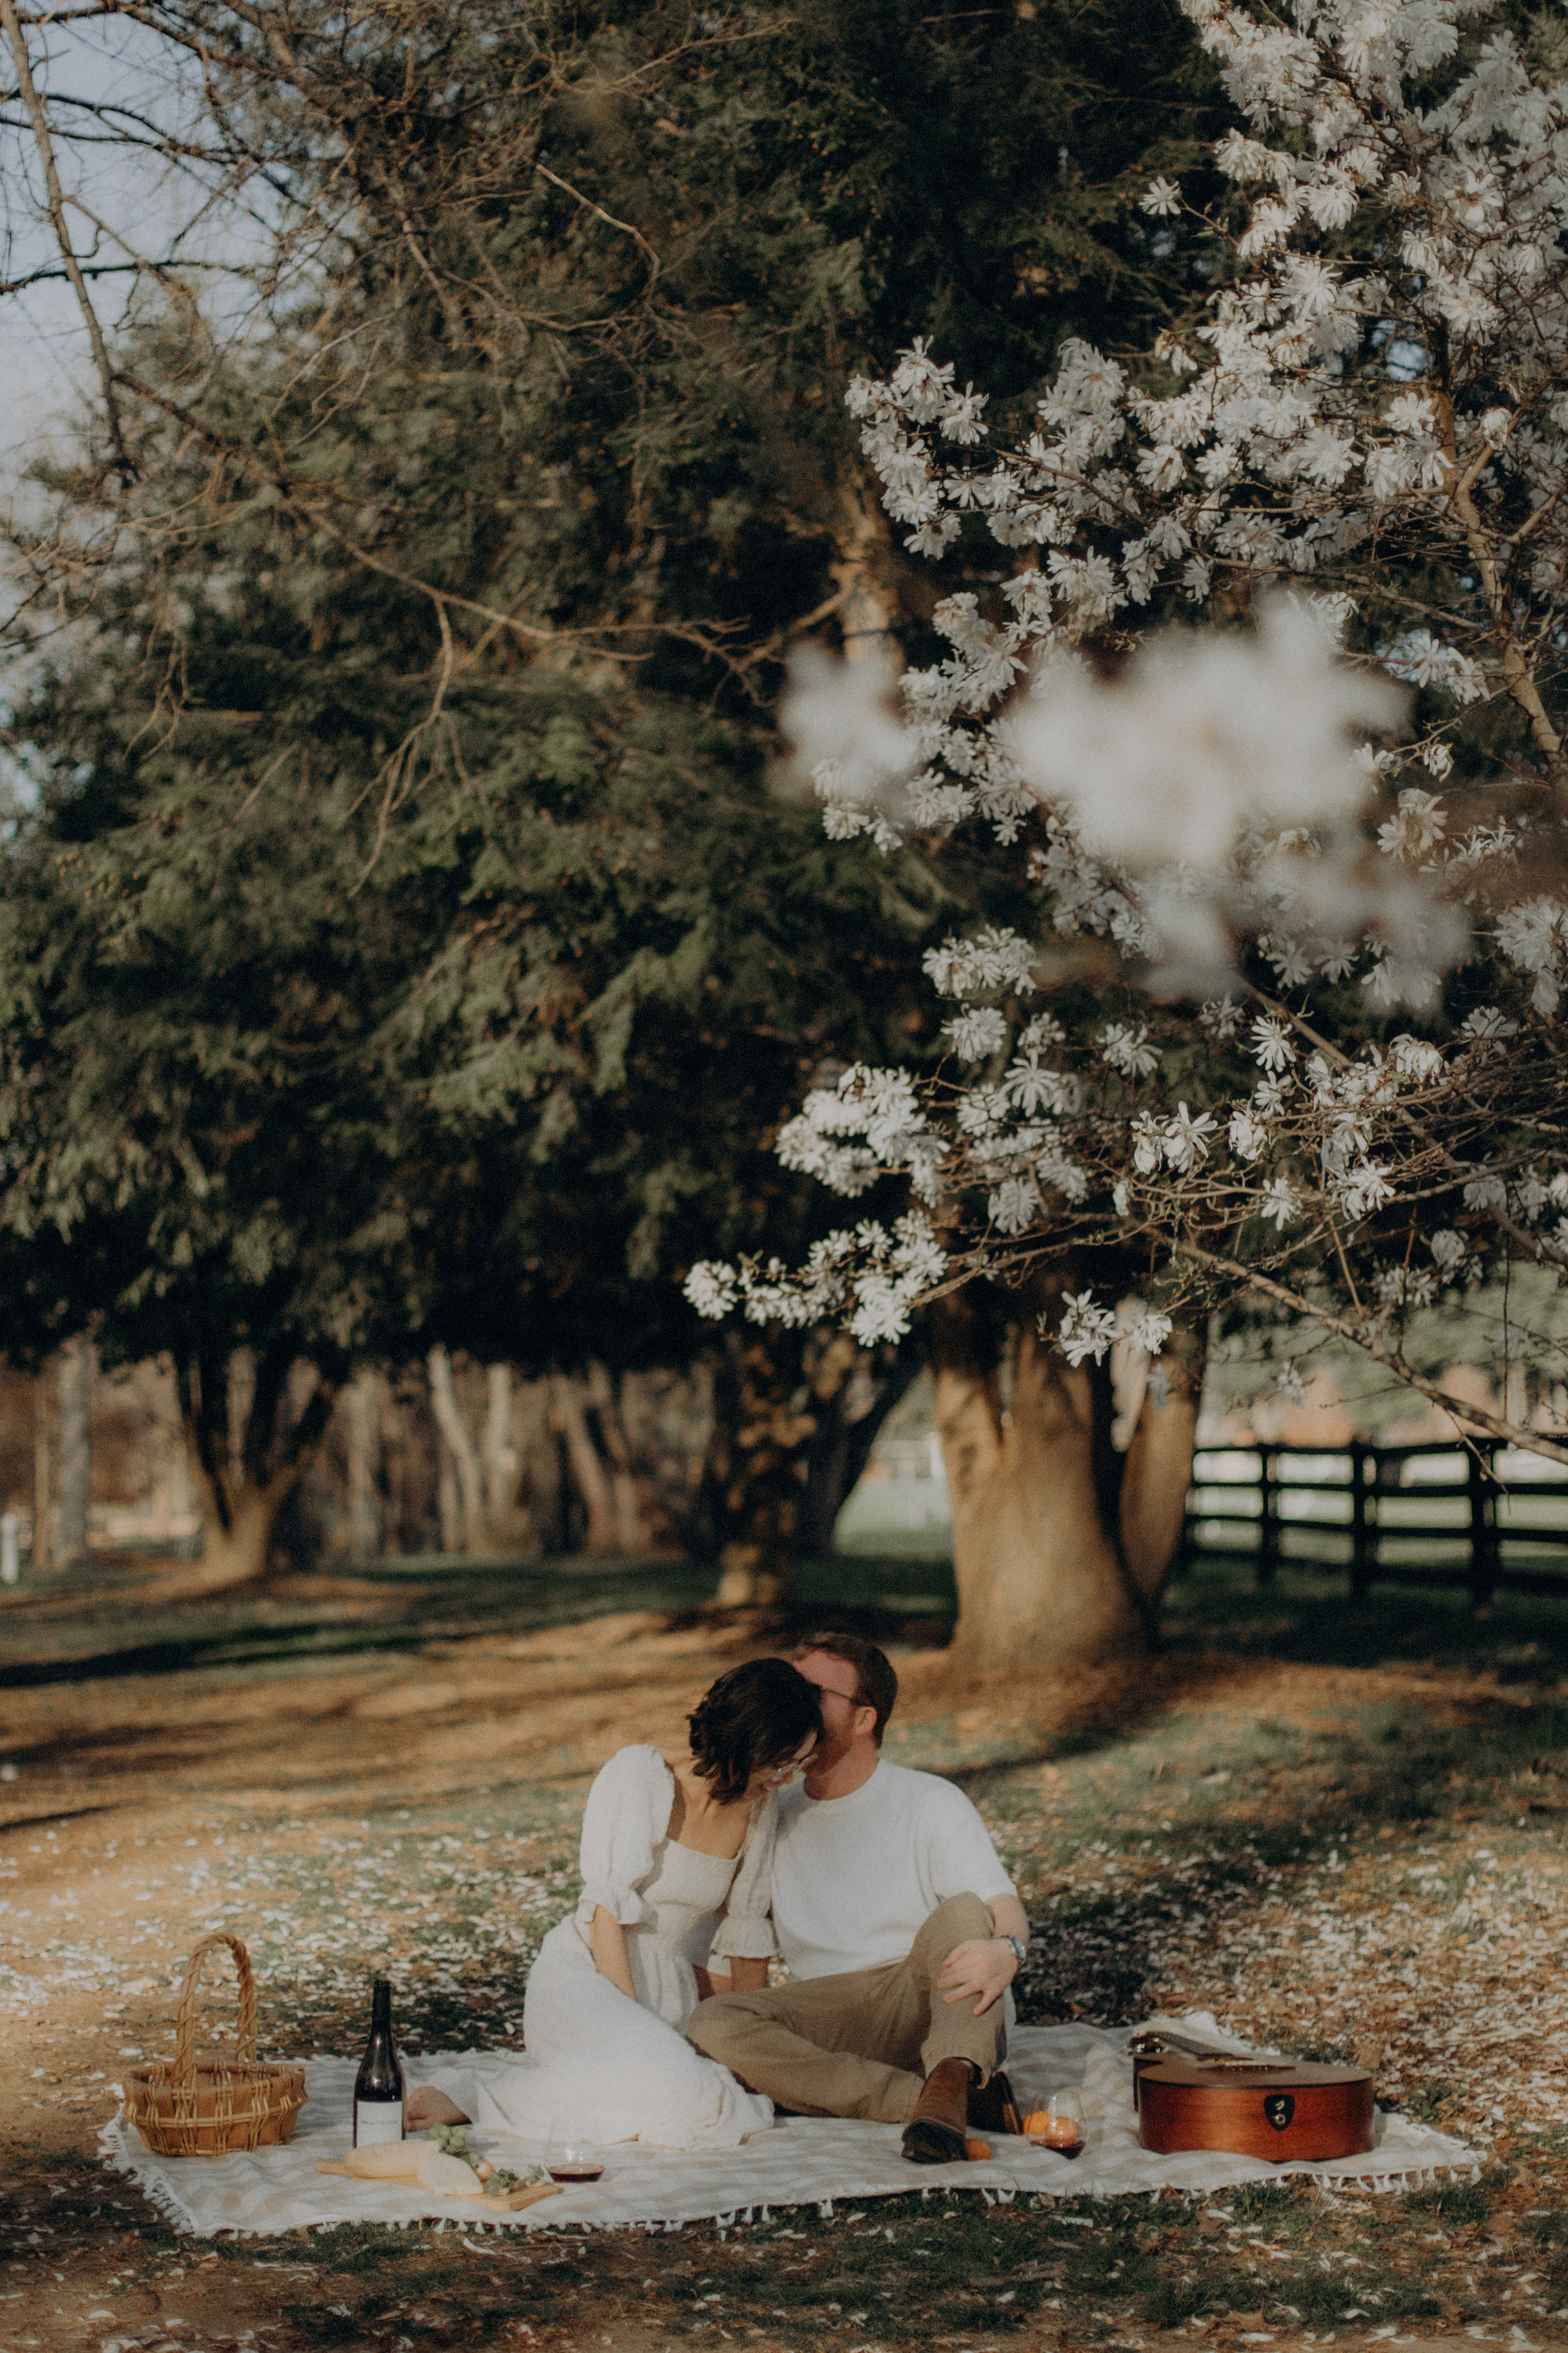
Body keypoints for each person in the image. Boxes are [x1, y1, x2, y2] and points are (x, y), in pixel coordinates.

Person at [405, 1656, 821, 2150]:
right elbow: (605, 1913)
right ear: (747, 1739)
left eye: (797, 1764)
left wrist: (746, 2037)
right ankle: (479, 2097)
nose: (787, 1778)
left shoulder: (758, 1808)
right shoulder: (642, 1775)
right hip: (590, 1975)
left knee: (711, 2095)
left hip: (671, 1989)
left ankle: (598, 2072)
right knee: (669, 2078)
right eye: (781, 1762)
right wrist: (632, 2025)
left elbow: (747, 1930)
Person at [685, 1631, 1030, 2164]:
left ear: (865, 1718)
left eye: (814, 1694)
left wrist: (1008, 1949)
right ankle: (939, 2101)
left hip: (923, 1996)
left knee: (965, 1911)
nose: (795, 1705)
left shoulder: (929, 1800)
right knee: (711, 2023)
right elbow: (733, 1943)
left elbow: (1001, 1906)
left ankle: (952, 2074)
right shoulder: (771, 1811)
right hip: (830, 2013)